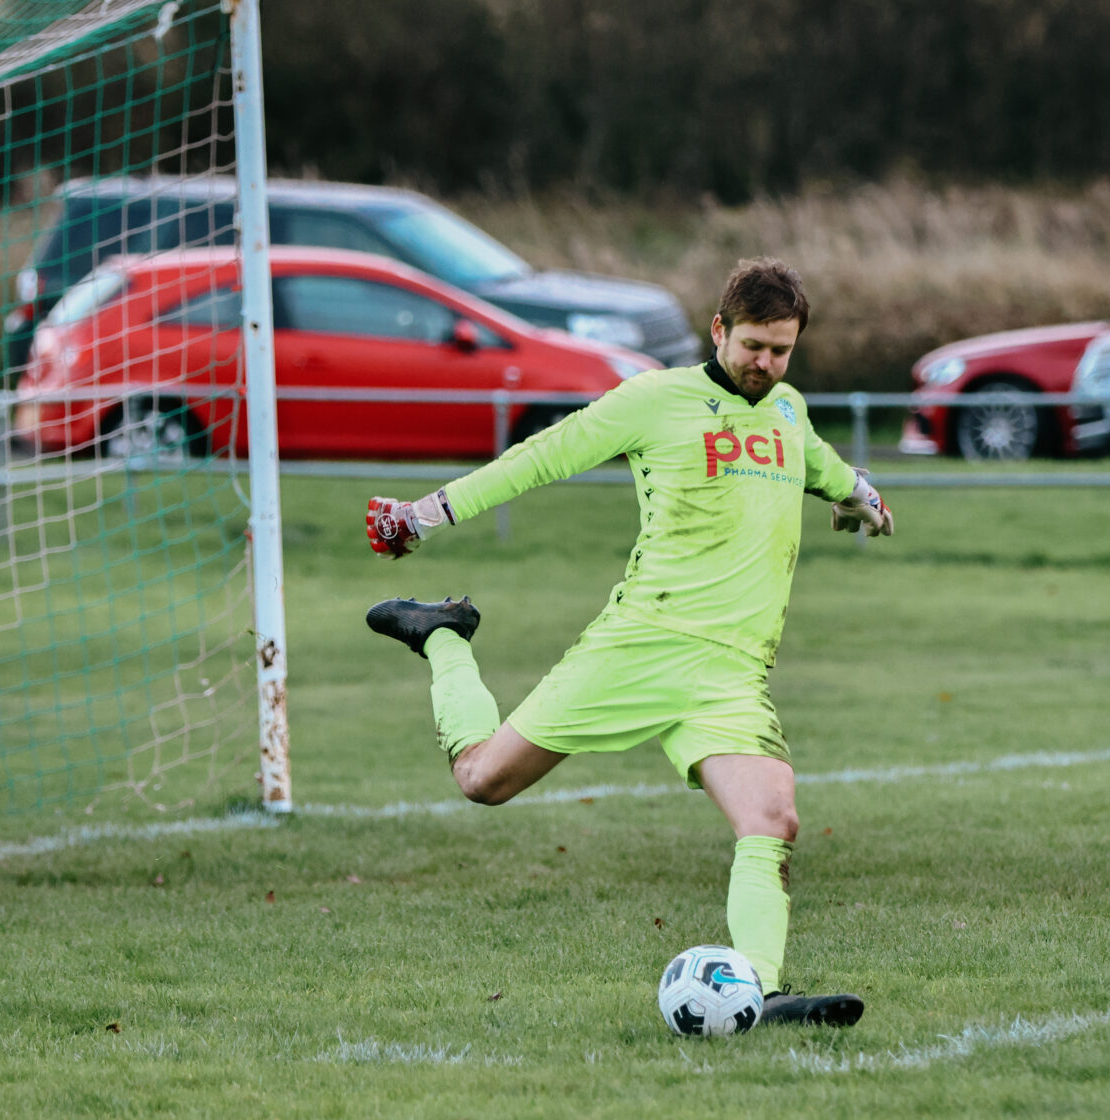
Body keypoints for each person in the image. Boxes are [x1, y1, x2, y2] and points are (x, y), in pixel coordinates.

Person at [362, 258, 893, 1027]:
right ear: (719, 330)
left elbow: (834, 473)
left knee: (771, 821)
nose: (766, 365)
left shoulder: (788, 413)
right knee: (483, 781)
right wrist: (427, 515)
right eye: (753, 346)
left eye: (782, 351)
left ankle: (762, 995)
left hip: (731, 674)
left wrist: (864, 503)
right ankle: (444, 639)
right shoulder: (657, 401)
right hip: (642, 641)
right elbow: (544, 457)